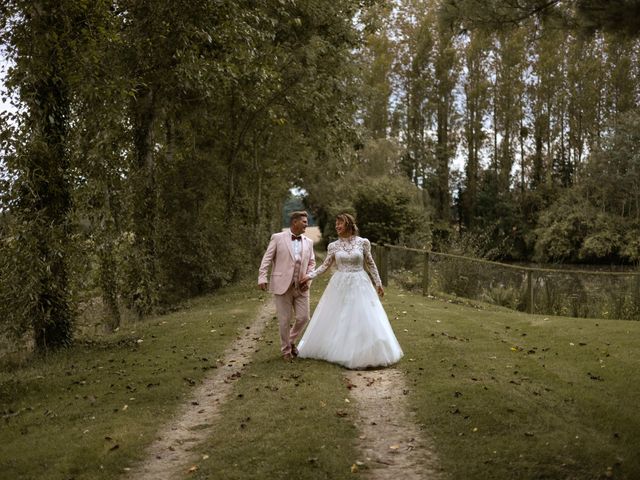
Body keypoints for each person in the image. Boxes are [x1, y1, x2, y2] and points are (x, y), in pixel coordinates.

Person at [297, 213, 403, 369]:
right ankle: (338, 349)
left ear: (349, 225)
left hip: (360, 282)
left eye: (340, 223)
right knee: (340, 315)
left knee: (362, 315)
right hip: (339, 283)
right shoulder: (333, 246)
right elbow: (325, 265)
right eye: (336, 224)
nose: (337, 226)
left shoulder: (363, 243)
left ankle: (366, 351)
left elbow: (371, 264)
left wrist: (378, 283)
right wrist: (309, 275)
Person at [258, 211, 316, 361]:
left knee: (304, 317)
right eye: (304, 221)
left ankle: (290, 341)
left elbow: (311, 263)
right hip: (282, 285)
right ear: (294, 222)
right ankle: (286, 351)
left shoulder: (308, 242)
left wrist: (308, 278)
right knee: (284, 320)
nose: (306, 224)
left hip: (301, 286)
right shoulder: (277, 238)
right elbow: (267, 258)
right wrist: (262, 277)